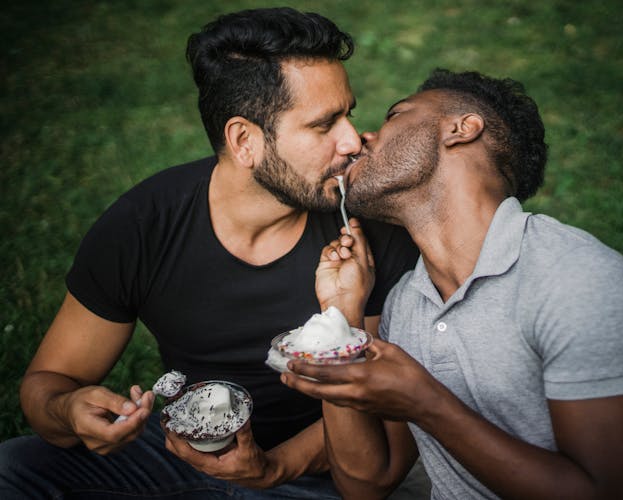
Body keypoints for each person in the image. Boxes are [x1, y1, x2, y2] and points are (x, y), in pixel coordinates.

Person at [0, 7, 419, 499]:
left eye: (348, 113)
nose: (353, 141)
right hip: (184, 452)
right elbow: (48, 382)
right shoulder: (146, 224)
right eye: (324, 124)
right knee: (14, 468)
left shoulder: (371, 225)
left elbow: (386, 434)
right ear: (244, 140)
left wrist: (272, 468)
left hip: (317, 472)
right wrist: (67, 410)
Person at [282, 69, 623, 499]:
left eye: (395, 114)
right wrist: (341, 319)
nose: (362, 137)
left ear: (461, 129)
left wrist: (426, 404)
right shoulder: (406, 303)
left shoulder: (577, 279)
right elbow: (367, 483)